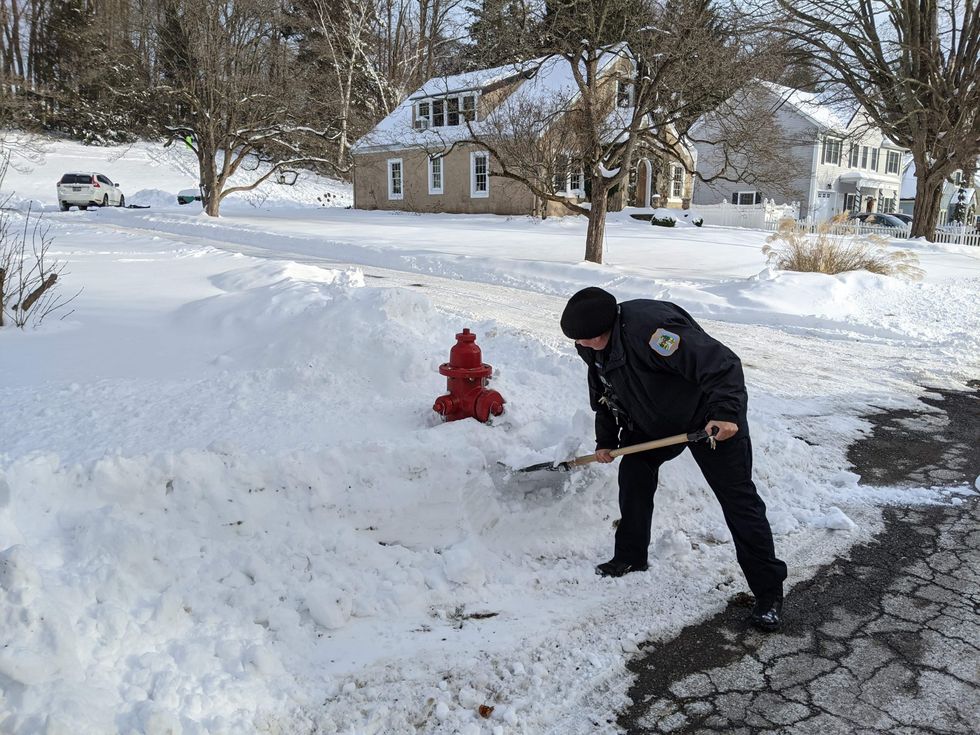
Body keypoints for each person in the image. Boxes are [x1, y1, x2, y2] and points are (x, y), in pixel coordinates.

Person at [560, 286, 787, 631]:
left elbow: (722, 365)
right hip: (655, 422)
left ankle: (769, 593)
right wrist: (606, 440)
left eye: (587, 340)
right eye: (578, 341)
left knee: (737, 498)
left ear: (604, 328)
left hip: (707, 421)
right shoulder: (590, 345)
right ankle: (631, 556)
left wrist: (726, 414)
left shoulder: (653, 333)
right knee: (635, 470)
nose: (581, 346)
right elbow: (604, 388)